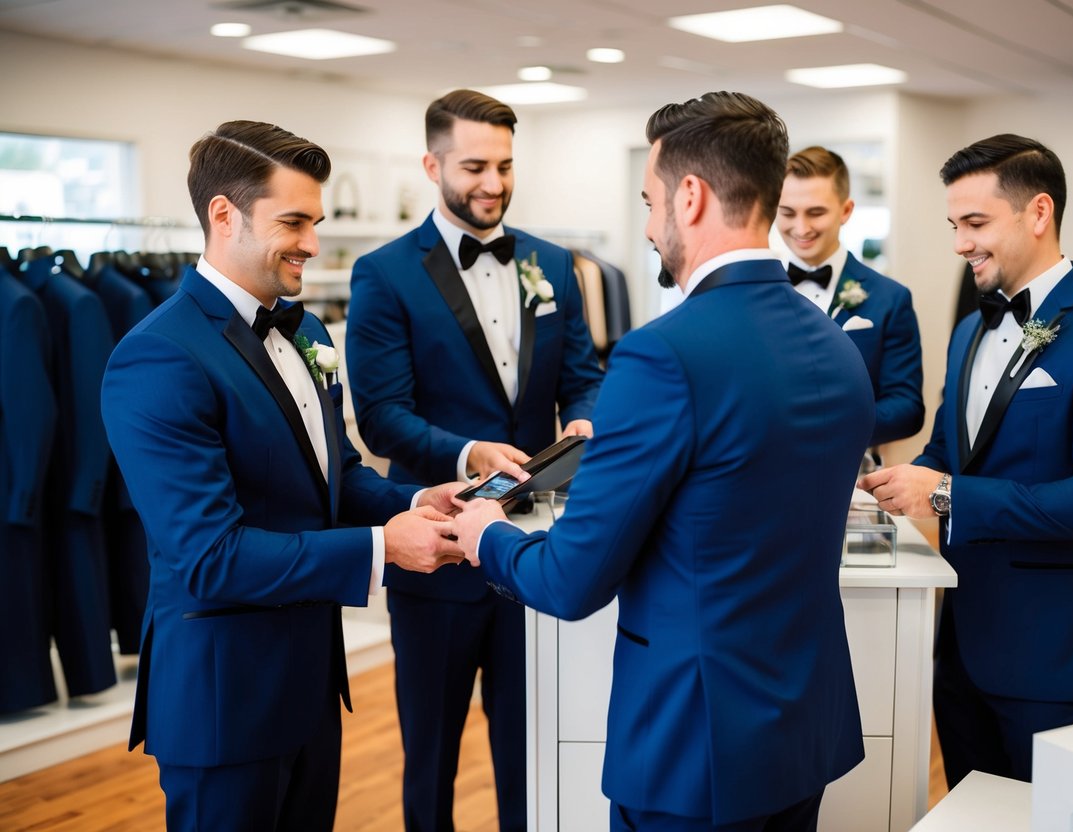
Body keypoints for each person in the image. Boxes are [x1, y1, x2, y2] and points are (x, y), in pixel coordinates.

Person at [451, 91, 874, 832]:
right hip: (802, 730)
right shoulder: (834, 344)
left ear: (690, 195)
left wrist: (487, 530)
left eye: (648, 201)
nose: (647, 227)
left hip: (694, 747)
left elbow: (571, 578)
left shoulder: (662, 355)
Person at [101, 120, 465, 832]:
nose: (311, 244)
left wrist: (420, 498)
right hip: (221, 700)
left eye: (315, 222)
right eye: (293, 222)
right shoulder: (158, 358)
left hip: (309, 686)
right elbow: (208, 558)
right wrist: (381, 548)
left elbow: (336, 477)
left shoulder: (307, 333)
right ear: (222, 214)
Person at [859, 134, 1073, 787]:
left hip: (1051, 657)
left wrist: (946, 497)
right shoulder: (970, 328)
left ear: (1037, 213)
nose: (959, 244)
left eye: (974, 224)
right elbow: (946, 453)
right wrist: (870, 485)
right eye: (953, 225)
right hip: (959, 645)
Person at [345, 89, 603, 832]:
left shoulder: (553, 262)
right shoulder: (384, 273)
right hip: (438, 546)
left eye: (504, 165)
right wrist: (464, 451)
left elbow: (583, 372)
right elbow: (384, 416)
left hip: (534, 547)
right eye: (474, 166)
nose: (492, 183)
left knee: (531, 740)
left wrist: (589, 414)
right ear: (432, 165)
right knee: (431, 749)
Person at [776, 146, 924, 449]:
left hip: (852, 472)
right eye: (788, 213)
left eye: (816, 213)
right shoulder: (753, 291)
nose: (801, 228)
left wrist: (833, 428)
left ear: (846, 210)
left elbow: (907, 407)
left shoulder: (890, 298)